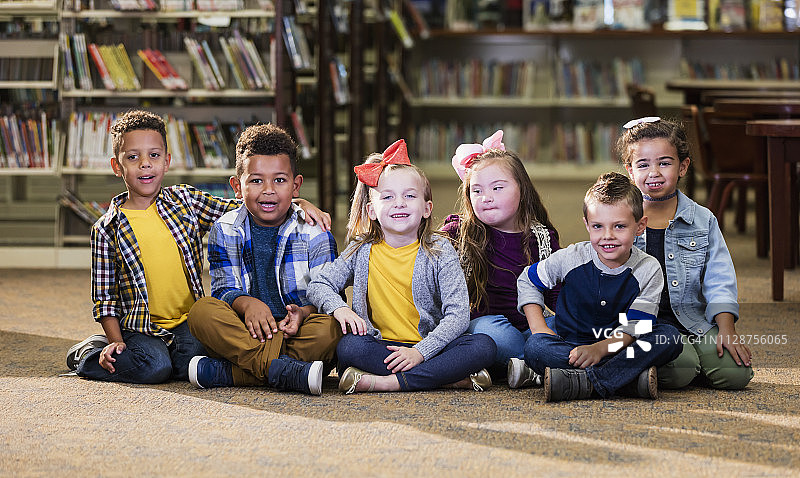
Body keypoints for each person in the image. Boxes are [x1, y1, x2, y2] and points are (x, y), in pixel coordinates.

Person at [64, 110, 331, 384]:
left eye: (154, 156)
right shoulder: (106, 229)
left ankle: (253, 371)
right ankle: (88, 355)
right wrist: (115, 341)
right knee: (156, 368)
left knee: (199, 359)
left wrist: (299, 204)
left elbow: (246, 205)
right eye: (133, 158)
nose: (145, 164)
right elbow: (104, 299)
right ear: (117, 166)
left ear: (167, 161)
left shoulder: (185, 202)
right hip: (139, 327)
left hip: (185, 323)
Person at [307, 139, 497, 393]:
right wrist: (340, 308)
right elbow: (319, 283)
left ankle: (389, 382)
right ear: (372, 210)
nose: (399, 203)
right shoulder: (360, 249)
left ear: (427, 208)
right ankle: (446, 378)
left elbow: (458, 316)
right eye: (388, 197)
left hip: (431, 345)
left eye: (409, 195)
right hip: (380, 346)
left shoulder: (441, 250)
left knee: (483, 345)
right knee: (349, 347)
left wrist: (420, 352)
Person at [185, 123, 341, 395]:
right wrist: (247, 304)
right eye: (256, 180)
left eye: (279, 180)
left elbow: (329, 296)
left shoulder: (315, 232)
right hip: (246, 331)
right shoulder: (225, 229)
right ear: (237, 186)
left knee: (331, 329)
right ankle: (283, 371)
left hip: (297, 332)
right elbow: (223, 290)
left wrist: (303, 313)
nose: (268, 190)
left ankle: (234, 373)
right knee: (201, 312)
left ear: (296, 186)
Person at [518, 172, 683, 402]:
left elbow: (635, 328)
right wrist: (538, 327)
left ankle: (583, 382)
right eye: (597, 226)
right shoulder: (572, 257)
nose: (607, 236)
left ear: (640, 226)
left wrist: (599, 350)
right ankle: (625, 380)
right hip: (570, 347)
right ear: (586, 224)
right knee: (536, 347)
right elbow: (527, 279)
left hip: (621, 346)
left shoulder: (649, 268)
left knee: (670, 338)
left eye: (619, 226)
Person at [618, 116, 753, 390]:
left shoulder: (703, 220)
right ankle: (671, 364)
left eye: (664, 163)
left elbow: (720, 279)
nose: (654, 172)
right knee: (680, 371)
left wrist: (727, 329)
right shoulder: (620, 221)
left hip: (693, 321)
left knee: (736, 375)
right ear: (630, 171)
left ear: (683, 166)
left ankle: (677, 362)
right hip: (642, 324)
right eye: (643, 165)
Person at [441, 130, 560, 388]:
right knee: (490, 334)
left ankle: (525, 366)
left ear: (522, 188)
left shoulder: (542, 236)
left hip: (533, 323)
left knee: (567, 325)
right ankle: (542, 363)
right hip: (485, 324)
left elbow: (555, 293)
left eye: (497, 188)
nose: (486, 197)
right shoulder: (458, 232)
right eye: (477, 191)